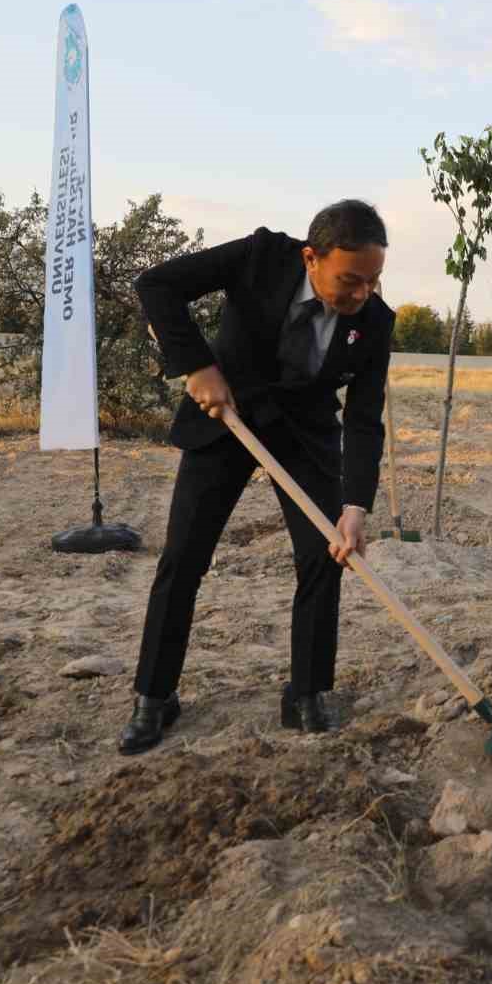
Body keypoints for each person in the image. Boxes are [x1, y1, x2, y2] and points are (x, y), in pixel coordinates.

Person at [120, 200, 394, 754]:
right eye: (350, 280)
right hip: (229, 419)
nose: (362, 294)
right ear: (311, 257)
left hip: (305, 435)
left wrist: (356, 505)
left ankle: (308, 693)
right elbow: (158, 285)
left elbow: (364, 418)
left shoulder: (375, 321)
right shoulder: (260, 257)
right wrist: (198, 366)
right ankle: (154, 696)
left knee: (324, 557)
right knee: (184, 557)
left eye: (373, 281)